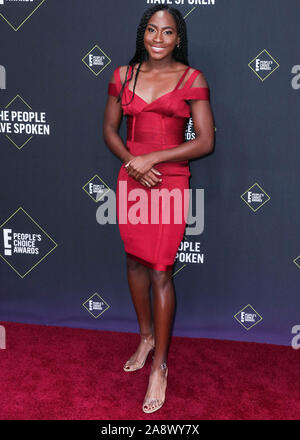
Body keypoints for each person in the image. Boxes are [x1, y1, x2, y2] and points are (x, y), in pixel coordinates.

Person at [103, 5, 214, 414]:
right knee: (133, 261)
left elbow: (204, 142)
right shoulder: (122, 75)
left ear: (178, 38)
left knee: (161, 270)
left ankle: (160, 367)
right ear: (143, 33)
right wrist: (134, 163)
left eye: (168, 32)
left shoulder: (191, 78)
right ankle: (146, 336)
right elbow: (109, 131)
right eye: (152, 30)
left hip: (170, 180)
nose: (158, 38)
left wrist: (155, 160)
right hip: (132, 178)